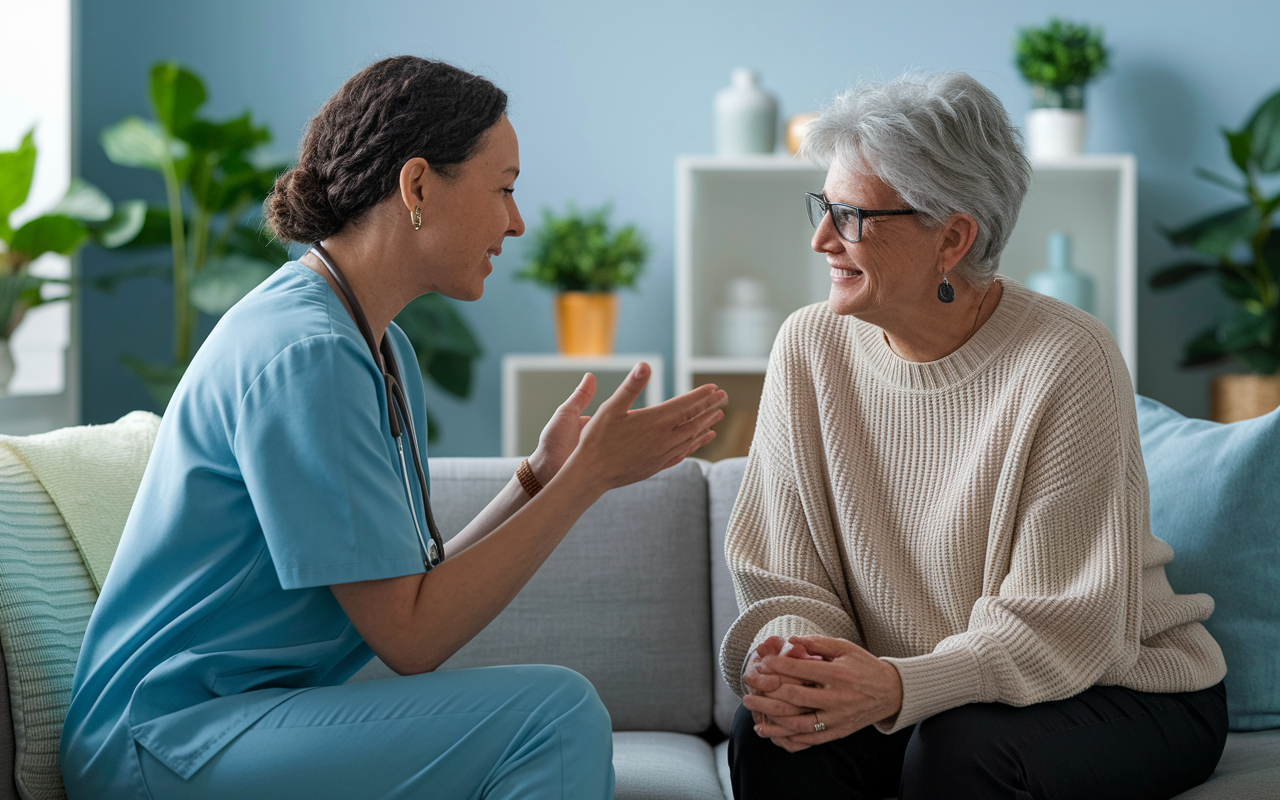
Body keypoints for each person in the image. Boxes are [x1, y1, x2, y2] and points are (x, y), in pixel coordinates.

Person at [60, 56, 726, 800]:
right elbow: (414, 641)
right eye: (503, 188)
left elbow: (415, 592)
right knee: (553, 712)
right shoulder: (309, 354)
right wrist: (589, 479)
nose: (517, 220)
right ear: (416, 187)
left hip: (239, 721)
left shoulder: (375, 341)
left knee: (553, 718)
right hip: (163, 741)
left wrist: (539, 477)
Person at [720, 72, 1228, 800]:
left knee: (960, 748)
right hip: (918, 693)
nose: (821, 238)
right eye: (822, 207)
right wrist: (801, 663)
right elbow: (783, 572)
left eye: (851, 216)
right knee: (776, 737)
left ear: (952, 238)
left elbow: (1066, 624)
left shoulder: (1067, 358)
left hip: (1119, 685)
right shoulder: (809, 348)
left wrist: (900, 685)